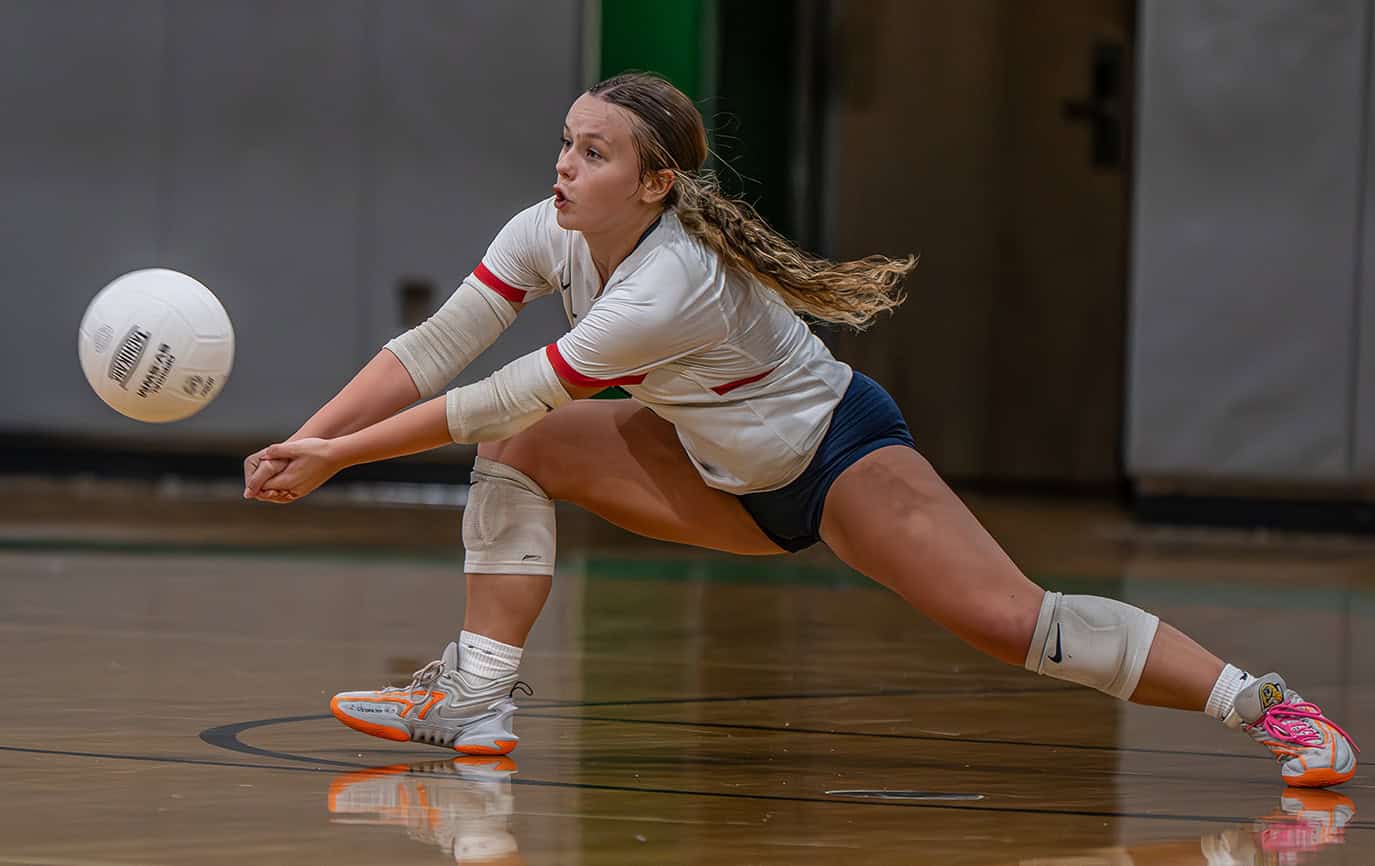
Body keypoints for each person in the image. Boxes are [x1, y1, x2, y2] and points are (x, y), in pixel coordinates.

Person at [243, 72, 1357, 787]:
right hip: (708, 463)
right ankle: (476, 698)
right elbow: (439, 347)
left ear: (656, 182)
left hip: (831, 458)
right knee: (514, 456)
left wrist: (338, 459)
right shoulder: (551, 230)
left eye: (591, 152)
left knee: (1018, 621)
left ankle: (1267, 705)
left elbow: (509, 389)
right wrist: (310, 434)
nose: (562, 166)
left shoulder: (668, 280)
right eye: (565, 142)